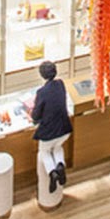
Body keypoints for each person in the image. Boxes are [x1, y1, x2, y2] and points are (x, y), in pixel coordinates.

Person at [31, 60, 73, 195]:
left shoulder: (41, 92)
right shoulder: (61, 84)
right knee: (57, 148)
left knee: (44, 151)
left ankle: (52, 172)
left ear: (42, 75)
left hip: (49, 132)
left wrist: (33, 116)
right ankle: (60, 165)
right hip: (64, 129)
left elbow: (36, 114)